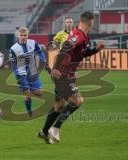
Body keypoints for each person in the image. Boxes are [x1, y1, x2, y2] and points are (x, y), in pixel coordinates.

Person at [38, 11, 105, 144]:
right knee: (77, 100)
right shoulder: (77, 35)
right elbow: (63, 50)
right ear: (90, 22)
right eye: (93, 21)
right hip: (62, 74)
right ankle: (55, 128)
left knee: (59, 106)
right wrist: (56, 68)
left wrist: (96, 49)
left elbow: (83, 53)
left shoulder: (85, 37)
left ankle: (44, 132)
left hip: (68, 74)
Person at [9, 27, 47, 117]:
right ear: (18, 36)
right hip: (21, 74)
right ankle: (29, 112)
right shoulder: (14, 48)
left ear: (27, 35)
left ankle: (28, 89)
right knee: (28, 94)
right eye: (21, 35)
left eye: (25, 35)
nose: (23, 37)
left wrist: (44, 59)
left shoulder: (33, 43)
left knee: (39, 93)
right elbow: (13, 63)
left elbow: (39, 51)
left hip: (32, 72)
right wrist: (17, 73)